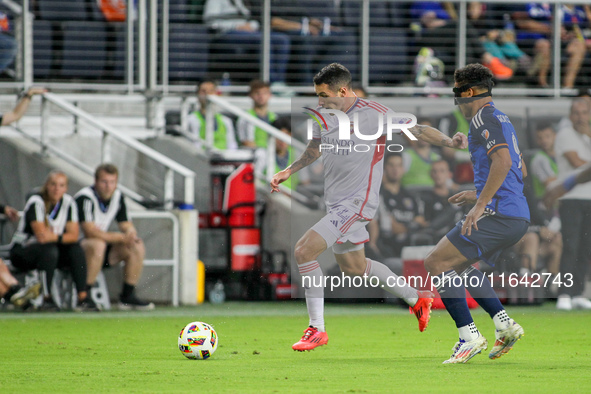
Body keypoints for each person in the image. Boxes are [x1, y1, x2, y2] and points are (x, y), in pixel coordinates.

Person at [270, 63, 468, 352]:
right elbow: (314, 149)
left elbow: (419, 130)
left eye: (324, 96)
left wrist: (450, 141)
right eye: (317, 96)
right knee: (354, 267)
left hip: (356, 204)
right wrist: (289, 170)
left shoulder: (375, 114)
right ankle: (417, 298)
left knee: (304, 250)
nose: (320, 102)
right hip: (336, 204)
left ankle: (317, 329)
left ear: (343, 90)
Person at [421, 63, 530, 363]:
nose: (457, 102)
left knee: (436, 262)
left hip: (500, 213)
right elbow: (521, 167)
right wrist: (478, 193)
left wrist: (480, 205)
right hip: (515, 214)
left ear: (469, 92)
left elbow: (504, 162)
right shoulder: (500, 118)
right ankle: (504, 325)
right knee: (459, 267)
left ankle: (469, 336)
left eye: (457, 94)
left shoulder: (484, 117)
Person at [9, 171, 98, 312]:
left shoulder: (68, 203)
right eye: (53, 184)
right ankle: (46, 297)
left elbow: (73, 235)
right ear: (46, 186)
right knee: (49, 251)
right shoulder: (36, 201)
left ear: (66, 188)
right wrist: (61, 236)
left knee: (75, 249)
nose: (57, 189)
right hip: (23, 250)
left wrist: (54, 236)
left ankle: (83, 297)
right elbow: (41, 236)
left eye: (61, 185)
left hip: (51, 249)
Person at [75, 164, 155, 311]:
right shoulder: (85, 198)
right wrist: (119, 237)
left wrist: (130, 234)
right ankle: (84, 296)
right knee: (97, 244)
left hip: (103, 248)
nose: (108, 186)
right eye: (104, 182)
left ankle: (127, 295)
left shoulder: (118, 197)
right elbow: (89, 232)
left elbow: (126, 224)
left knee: (136, 245)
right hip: (77, 250)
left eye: (112, 182)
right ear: (96, 181)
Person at [552, 98, 591, 310]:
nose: (580, 117)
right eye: (576, 113)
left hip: (590, 197)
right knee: (570, 246)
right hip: (571, 197)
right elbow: (576, 162)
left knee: (586, 249)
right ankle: (564, 292)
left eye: (584, 113)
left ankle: (577, 293)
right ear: (570, 115)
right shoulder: (565, 134)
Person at [203, 0, 290, 84]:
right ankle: (270, 82)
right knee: (262, 39)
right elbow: (211, 22)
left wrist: (252, 25)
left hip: (248, 34)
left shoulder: (243, 1)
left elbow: (253, 19)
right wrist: (236, 26)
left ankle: (279, 83)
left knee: (281, 39)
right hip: (226, 34)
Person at [368, 154, 427, 264]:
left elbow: (421, 221)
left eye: (399, 165)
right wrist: (412, 225)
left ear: (403, 169)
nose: (395, 169)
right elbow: (392, 227)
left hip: (410, 246)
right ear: (385, 168)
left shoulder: (411, 197)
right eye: (391, 165)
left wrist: (406, 227)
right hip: (388, 247)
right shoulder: (378, 196)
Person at [418, 159, 463, 241]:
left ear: (449, 174)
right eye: (435, 171)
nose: (438, 174)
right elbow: (422, 221)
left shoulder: (458, 197)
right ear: (430, 174)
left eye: (442, 171)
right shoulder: (425, 198)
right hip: (435, 238)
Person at [187, 79, 237, 151]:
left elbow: (232, 145)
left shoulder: (226, 121)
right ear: (197, 94)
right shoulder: (191, 119)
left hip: (224, 159)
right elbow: (194, 146)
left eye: (211, 91)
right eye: (203, 91)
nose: (207, 94)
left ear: (216, 94)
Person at [401, 118, 442, 188]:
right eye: (421, 131)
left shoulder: (437, 157)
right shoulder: (406, 156)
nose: (424, 135)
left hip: (432, 196)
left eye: (428, 132)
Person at [236, 80, 277, 149]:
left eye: (265, 93)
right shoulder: (245, 117)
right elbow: (246, 141)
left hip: (272, 155)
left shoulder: (274, 117)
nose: (261, 96)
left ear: (270, 95)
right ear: (250, 95)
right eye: (257, 93)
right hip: (255, 155)